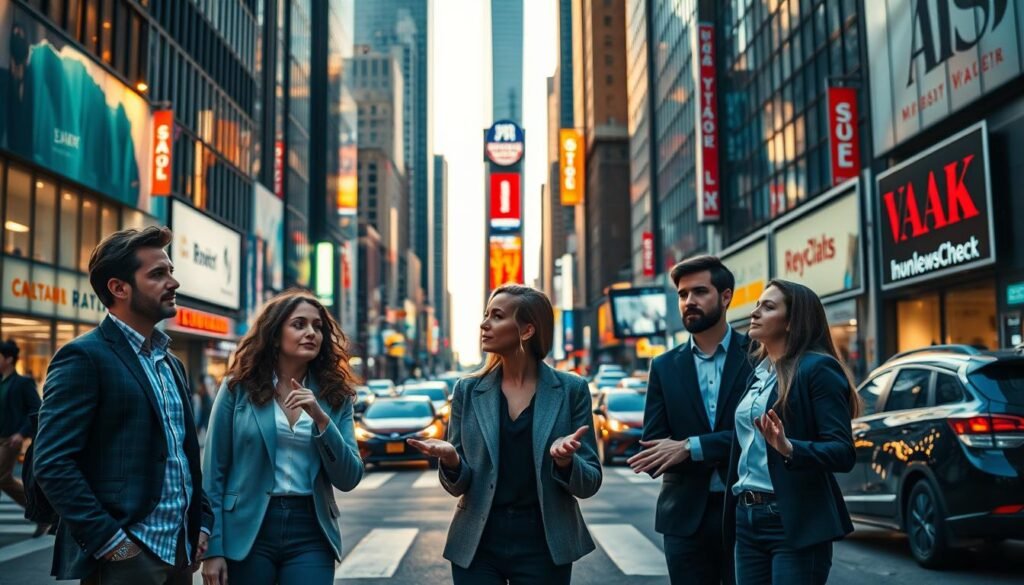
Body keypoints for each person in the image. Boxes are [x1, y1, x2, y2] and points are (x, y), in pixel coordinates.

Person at [34, 226, 212, 584]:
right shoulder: (84, 357)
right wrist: (111, 543)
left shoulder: (170, 362)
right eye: (158, 274)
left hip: (179, 550)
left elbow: (182, 455)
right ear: (119, 288)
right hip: (126, 556)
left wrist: (201, 522)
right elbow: (52, 463)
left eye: (171, 272)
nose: (173, 283)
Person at [406, 284, 602, 584]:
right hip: (478, 540)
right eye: (486, 314)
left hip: (545, 543)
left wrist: (565, 462)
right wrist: (451, 460)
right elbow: (459, 485)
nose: (484, 324)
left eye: (497, 316)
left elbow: (590, 482)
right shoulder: (467, 390)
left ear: (526, 331)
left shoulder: (571, 390)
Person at [201, 289, 364, 585]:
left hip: (311, 530)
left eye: (317, 327)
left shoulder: (335, 396)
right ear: (275, 335)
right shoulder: (238, 388)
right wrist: (213, 549)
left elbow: (349, 477)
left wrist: (321, 419)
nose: (311, 333)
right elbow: (213, 474)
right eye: (299, 324)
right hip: (248, 529)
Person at [627, 255, 753, 585]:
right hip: (683, 518)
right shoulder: (664, 366)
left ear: (726, 296)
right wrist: (685, 450)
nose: (689, 302)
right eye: (683, 295)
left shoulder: (758, 355)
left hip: (747, 512)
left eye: (700, 292)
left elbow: (763, 435)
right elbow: (656, 445)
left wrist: (691, 447)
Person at [726, 280, 859, 585]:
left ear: (791, 322)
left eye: (768, 307)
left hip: (792, 518)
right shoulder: (758, 373)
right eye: (757, 305)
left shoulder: (817, 369)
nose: (755, 312)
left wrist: (790, 448)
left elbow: (842, 451)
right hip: (746, 517)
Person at [0, 339, 48, 536]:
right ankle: (41, 513)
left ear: (9, 359)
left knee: (2, 477)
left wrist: (21, 433)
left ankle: (41, 512)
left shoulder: (23, 383)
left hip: (10, 439)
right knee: (4, 479)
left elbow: (36, 410)